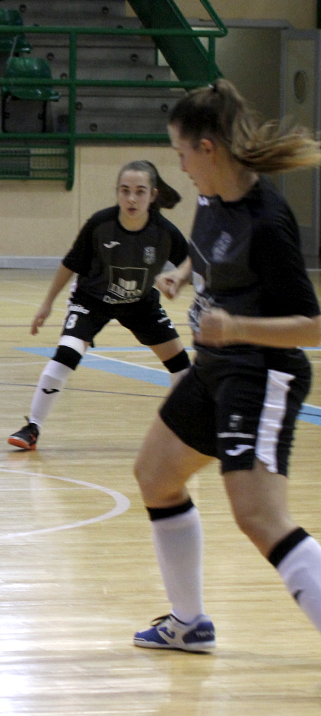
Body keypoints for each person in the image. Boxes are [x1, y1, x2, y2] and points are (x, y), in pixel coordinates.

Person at [132, 79, 321, 653]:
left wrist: (236, 327)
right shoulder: (212, 199)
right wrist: (183, 273)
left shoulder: (268, 221)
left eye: (181, 153)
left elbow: (313, 327)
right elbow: (214, 250)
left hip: (262, 374)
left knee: (260, 518)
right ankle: (188, 624)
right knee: (156, 477)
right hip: (214, 368)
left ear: (207, 148)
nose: (180, 166)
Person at [8, 160, 191, 450]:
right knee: (67, 354)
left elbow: (193, 262)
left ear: (153, 195)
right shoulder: (101, 224)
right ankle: (33, 427)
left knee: (180, 364)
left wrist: (177, 280)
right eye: (125, 190)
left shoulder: (164, 232)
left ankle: (184, 432)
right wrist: (47, 303)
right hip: (92, 301)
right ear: (117, 192)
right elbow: (70, 263)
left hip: (140, 303)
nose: (131, 199)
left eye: (140, 192)